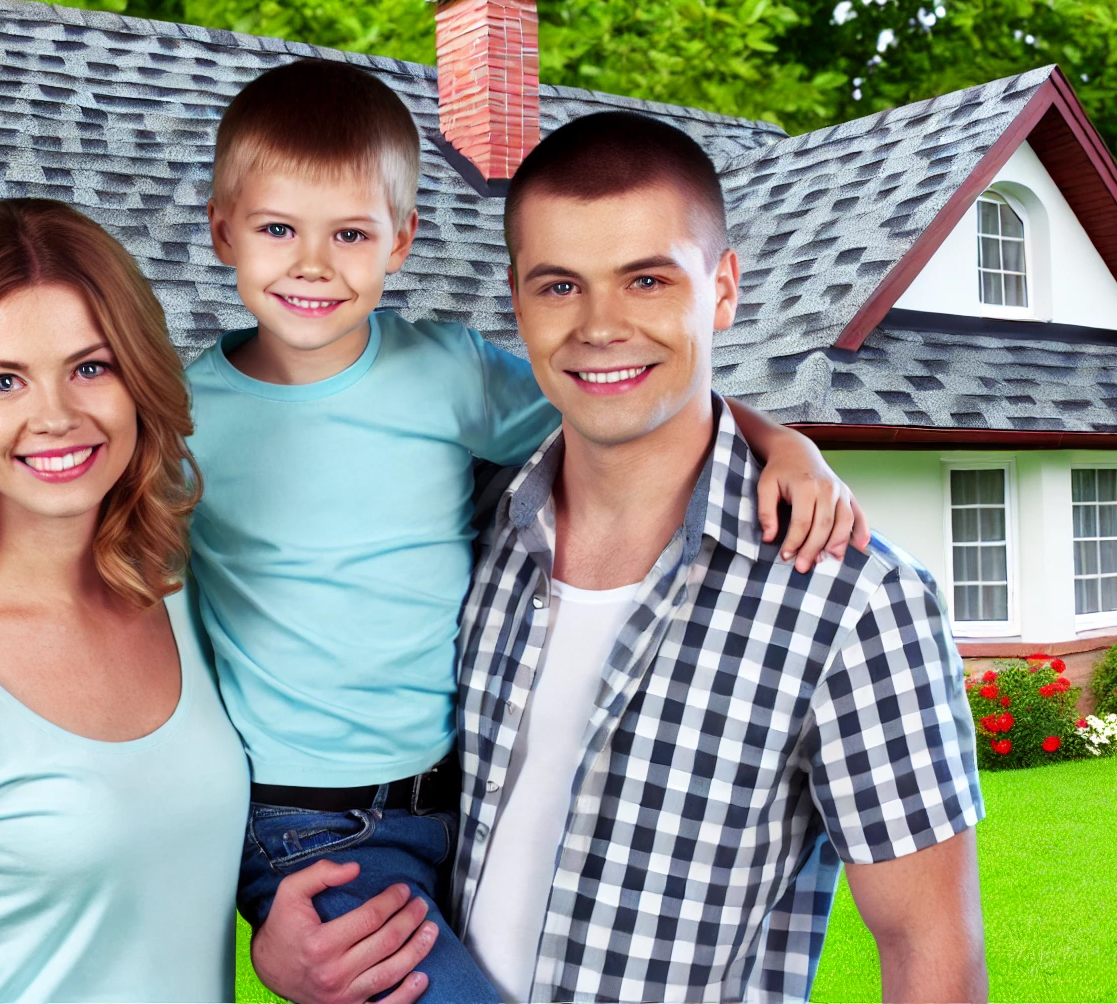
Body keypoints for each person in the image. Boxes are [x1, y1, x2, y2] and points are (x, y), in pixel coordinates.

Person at [188, 61, 874, 1004]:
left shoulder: (448, 375)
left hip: (450, 796)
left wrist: (782, 439)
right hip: (310, 826)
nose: (313, 264)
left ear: (401, 241)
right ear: (223, 230)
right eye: (277, 230)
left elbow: (620, 404)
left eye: (350, 233)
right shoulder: (179, 418)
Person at [444, 113, 990, 1002]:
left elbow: (932, 953)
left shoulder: (855, 601)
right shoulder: (464, 527)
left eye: (647, 280)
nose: (600, 326)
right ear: (517, 299)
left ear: (723, 290)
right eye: (559, 287)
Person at [0, 200, 272, 1003]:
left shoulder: (184, 598)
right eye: (2, 381)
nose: (57, 417)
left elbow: (173, 871)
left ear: (139, 379)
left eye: (90, 367)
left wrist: (280, 936)